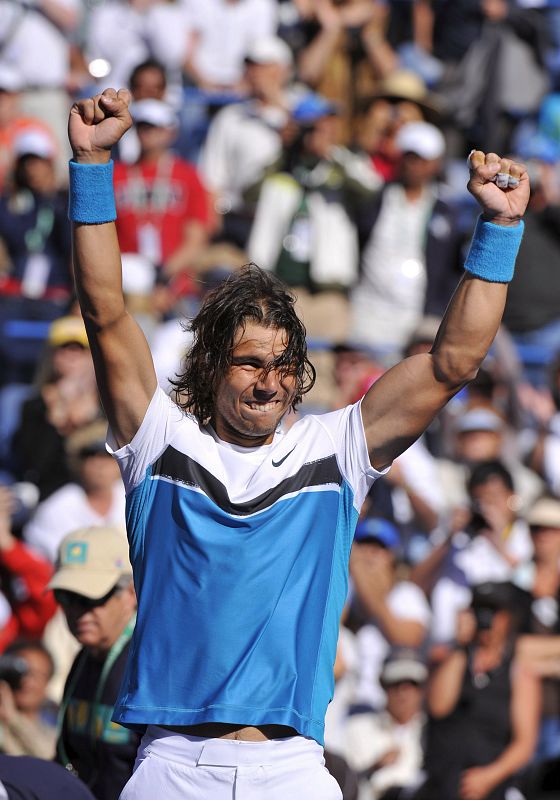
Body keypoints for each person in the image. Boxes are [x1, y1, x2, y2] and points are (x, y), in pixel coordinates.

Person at [66, 86, 529, 799]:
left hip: (292, 770)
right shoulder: (157, 440)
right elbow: (104, 312)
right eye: (251, 362)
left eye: (284, 366)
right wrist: (93, 164)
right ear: (214, 364)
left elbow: (451, 363)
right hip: (167, 767)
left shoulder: (336, 448)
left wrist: (497, 231)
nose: (270, 382)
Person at [419, 581, 540, 800]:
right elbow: (438, 706)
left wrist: (488, 777)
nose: (487, 619)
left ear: (506, 618)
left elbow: (525, 744)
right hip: (440, 784)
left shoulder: (517, 672)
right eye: (480, 610)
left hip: (489, 788)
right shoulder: (450, 657)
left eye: (493, 612)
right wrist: (460, 646)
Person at [50, 526, 140, 800]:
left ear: (130, 592)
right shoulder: (84, 658)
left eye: (92, 597)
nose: (78, 611)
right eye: (66, 597)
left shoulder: (151, 667)